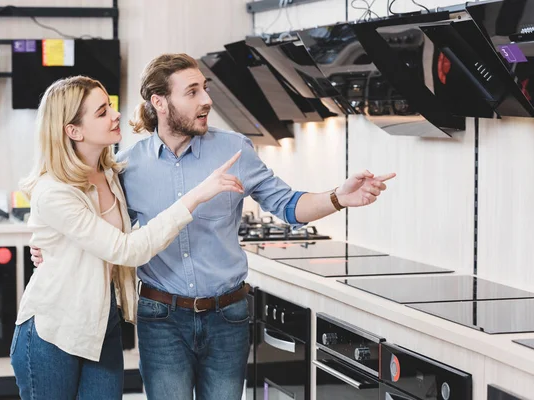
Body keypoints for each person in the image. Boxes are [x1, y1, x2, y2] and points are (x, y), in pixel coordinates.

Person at [32, 54, 395, 400]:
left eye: (205, 88)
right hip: (161, 319)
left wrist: (338, 197)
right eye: (192, 92)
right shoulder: (126, 167)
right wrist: (48, 248)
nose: (206, 100)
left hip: (229, 317)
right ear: (159, 102)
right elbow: (101, 229)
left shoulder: (234, 150)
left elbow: (288, 205)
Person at [11, 75, 244, 400]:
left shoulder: (111, 174)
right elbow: (126, 249)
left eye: (111, 106)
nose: (115, 114)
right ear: (73, 130)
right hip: (54, 330)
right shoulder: (54, 192)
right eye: (102, 111)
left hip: (101, 325)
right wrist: (196, 196)